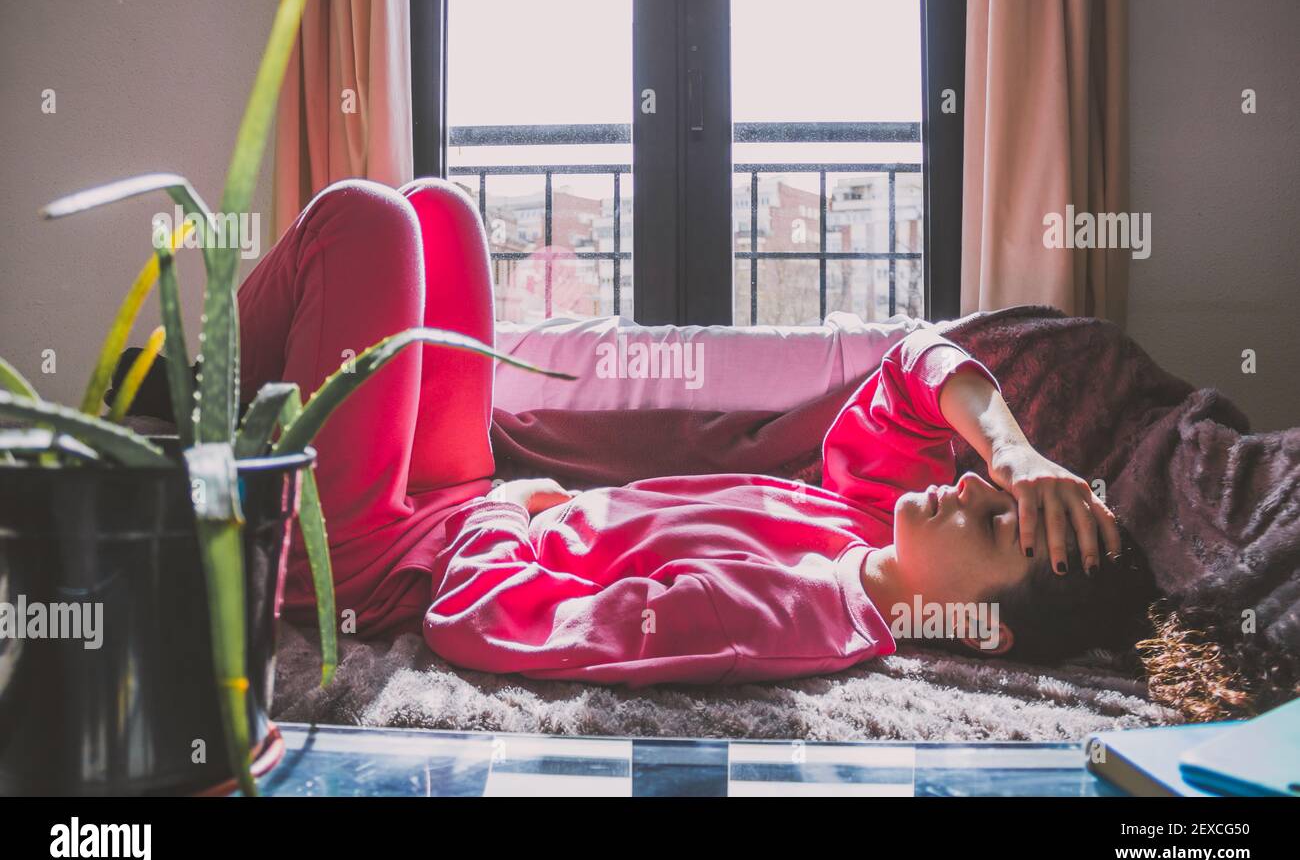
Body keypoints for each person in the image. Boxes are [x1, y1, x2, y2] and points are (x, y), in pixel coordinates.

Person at [228, 178, 1154, 686]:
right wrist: (1014, 449)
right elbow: (915, 361)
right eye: (997, 493)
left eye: (996, 525)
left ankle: (190, 427)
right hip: (458, 498)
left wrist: (507, 515)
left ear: (980, 631)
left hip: (372, 563)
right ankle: (207, 420)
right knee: (441, 213)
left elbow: (498, 626)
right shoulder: (868, 528)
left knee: (362, 218)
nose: (973, 491)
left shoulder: (787, 619)